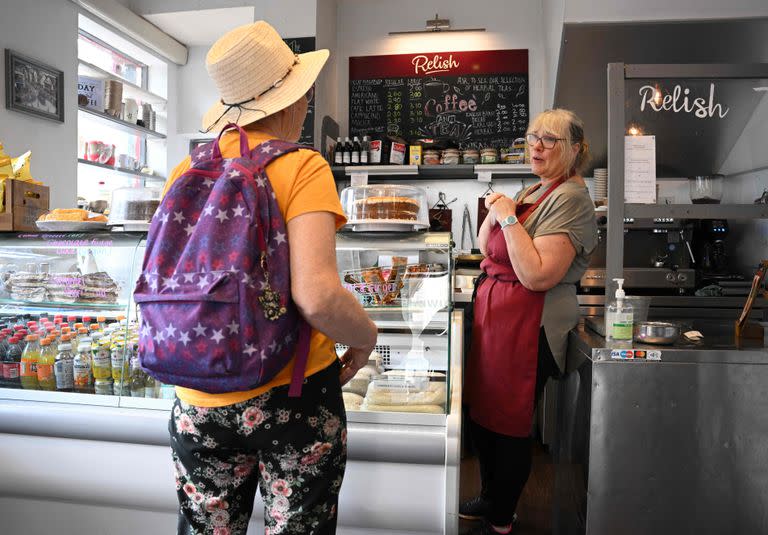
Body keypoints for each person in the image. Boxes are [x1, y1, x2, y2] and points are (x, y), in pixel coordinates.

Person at [161, 21, 378, 535]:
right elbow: (318, 296)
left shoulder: (184, 171)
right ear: (290, 101)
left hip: (196, 393)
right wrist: (367, 338)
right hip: (291, 394)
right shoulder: (302, 166)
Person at [460, 109, 598, 534]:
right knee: (483, 413)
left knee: (511, 420)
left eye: (550, 140)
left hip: (528, 323)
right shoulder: (535, 189)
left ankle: (502, 513)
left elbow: (538, 274)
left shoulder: (570, 198)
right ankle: (489, 496)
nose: (536, 145)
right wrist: (500, 210)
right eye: (533, 136)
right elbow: (485, 246)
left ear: (575, 150)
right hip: (496, 317)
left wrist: (506, 215)